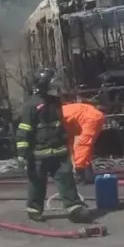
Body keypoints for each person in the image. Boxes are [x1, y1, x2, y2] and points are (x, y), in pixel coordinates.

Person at [16, 67, 91, 223]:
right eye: (52, 83)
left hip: (59, 151)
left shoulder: (55, 102)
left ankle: (74, 208)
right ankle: (34, 209)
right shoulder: (31, 105)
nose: (55, 88)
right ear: (43, 85)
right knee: (37, 183)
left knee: (67, 180)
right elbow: (24, 131)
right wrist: (22, 155)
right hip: (39, 154)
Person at [62, 100, 106, 184]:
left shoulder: (59, 117)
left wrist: (75, 166)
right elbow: (70, 143)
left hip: (90, 118)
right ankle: (87, 173)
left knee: (82, 145)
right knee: (85, 147)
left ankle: (80, 174)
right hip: (91, 116)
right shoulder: (60, 114)